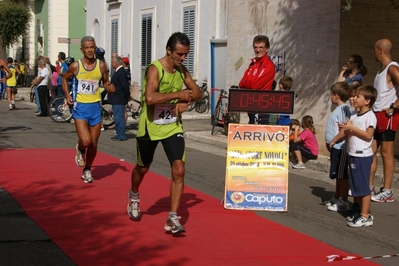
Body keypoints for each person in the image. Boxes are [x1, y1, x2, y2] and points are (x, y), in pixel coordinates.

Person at [127, 32, 202, 234]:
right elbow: (150, 99)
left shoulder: (181, 70)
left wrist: (187, 100)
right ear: (168, 51)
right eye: (179, 54)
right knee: (143, 168)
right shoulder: (155, 69)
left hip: (172, 126)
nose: (182, 58)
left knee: (179, 170)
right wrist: (178, 95)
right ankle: (134, 194)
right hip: (150, 127)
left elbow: (198, 92)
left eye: (186, 54)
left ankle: (172, 218)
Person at [62, 36, 115, 183]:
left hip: (96, 108)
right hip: (80, 108)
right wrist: (67, 95)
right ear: (82, 49)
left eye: (92, 47)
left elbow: (105, 83)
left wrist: (109, 87)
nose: (90, 50)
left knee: (94, 143)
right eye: (87, 47)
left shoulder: (102, 65)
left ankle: (87, 169)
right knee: (86, 141)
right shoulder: (75, 66)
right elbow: (64, 79)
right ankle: (80, 148)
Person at [329, 85, 377, 227]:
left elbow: (368, 136)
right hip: (353, 154)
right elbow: (348, 133)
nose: (354, 99)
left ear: (367, 101)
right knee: (355, 185)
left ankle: (365, 215)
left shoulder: (370, 116)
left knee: (363, 187)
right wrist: (335, 139)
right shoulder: (354, 115)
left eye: (358, 97)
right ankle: (358, 209)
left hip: (363, 156)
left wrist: (352, 128)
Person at [370, 39, 399, 203]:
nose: (373, 53)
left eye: (374, 50)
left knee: (386, 153)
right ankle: (369, 186)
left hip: (388, 115)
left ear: (380, 50)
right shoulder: (381, 70)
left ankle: (387, 190)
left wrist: (394, 106)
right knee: (371, 150)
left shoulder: (393, 68)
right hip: (376, 114)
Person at [324, 82, 351, 212]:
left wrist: (334, 140)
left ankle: (343, 200)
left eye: (331, 94)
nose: (330, 97)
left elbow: (345, 129)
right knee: (337, 174)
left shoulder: (344, 109)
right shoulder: (338, 109)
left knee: (342, 175)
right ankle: (337, 196)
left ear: (336, 96)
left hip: (341, 147)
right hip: (335, 147)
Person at [239, 35, 276, 124]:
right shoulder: (253, 63)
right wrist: (247, 82)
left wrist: (247, 82)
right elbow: (241, 84)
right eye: (255, 47)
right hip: (251, 104)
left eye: (261, 47)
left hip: (262, 106)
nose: (258, 50)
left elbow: (255, 85)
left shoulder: (268, 65)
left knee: (258, 132)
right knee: (251, 128)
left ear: (267, 49)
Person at [108, 56, 130, 141]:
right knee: (117, 117)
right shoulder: (118, 71)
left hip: (119, 98)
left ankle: (121, 135)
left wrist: (127, 95)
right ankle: (119, 134)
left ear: (116, 63)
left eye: (112, 62)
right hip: (116, 98)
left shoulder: (121, 72)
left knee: (119, 118)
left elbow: (125, 86)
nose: (111, 64)